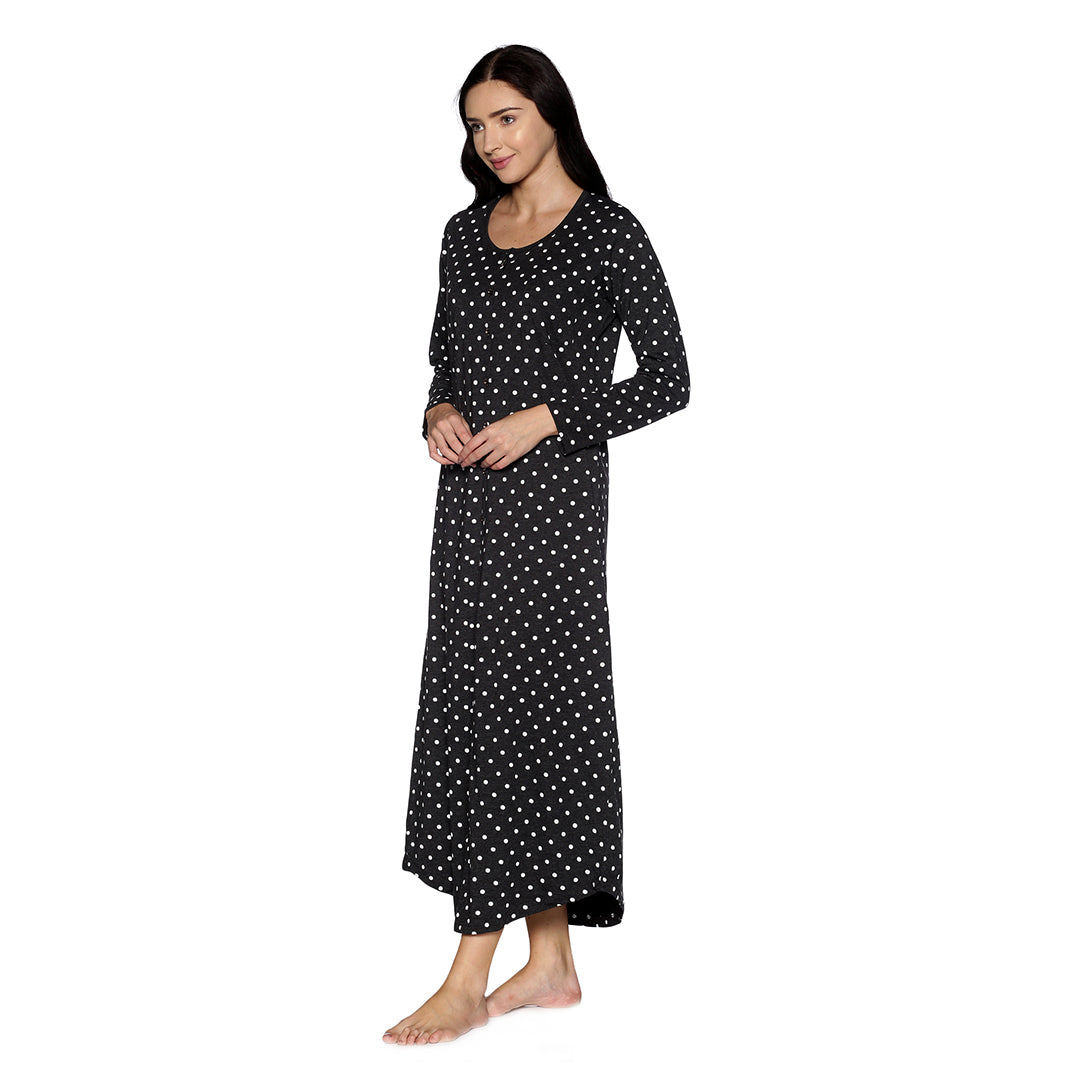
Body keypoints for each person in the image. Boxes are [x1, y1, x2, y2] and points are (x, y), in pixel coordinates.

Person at [384, 44, 690, 1046]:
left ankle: (469, 971)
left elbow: (670, 380)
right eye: (476, 125)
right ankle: (550, 962)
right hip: (467, 515)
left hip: (552, 519)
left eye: (506, 117)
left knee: (520, 715)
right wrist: (438, 413)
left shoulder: (608, 231)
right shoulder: (462, 235)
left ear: (552, 113)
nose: (490, 140)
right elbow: (446, 361)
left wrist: (548, 417)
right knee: (487, 710)